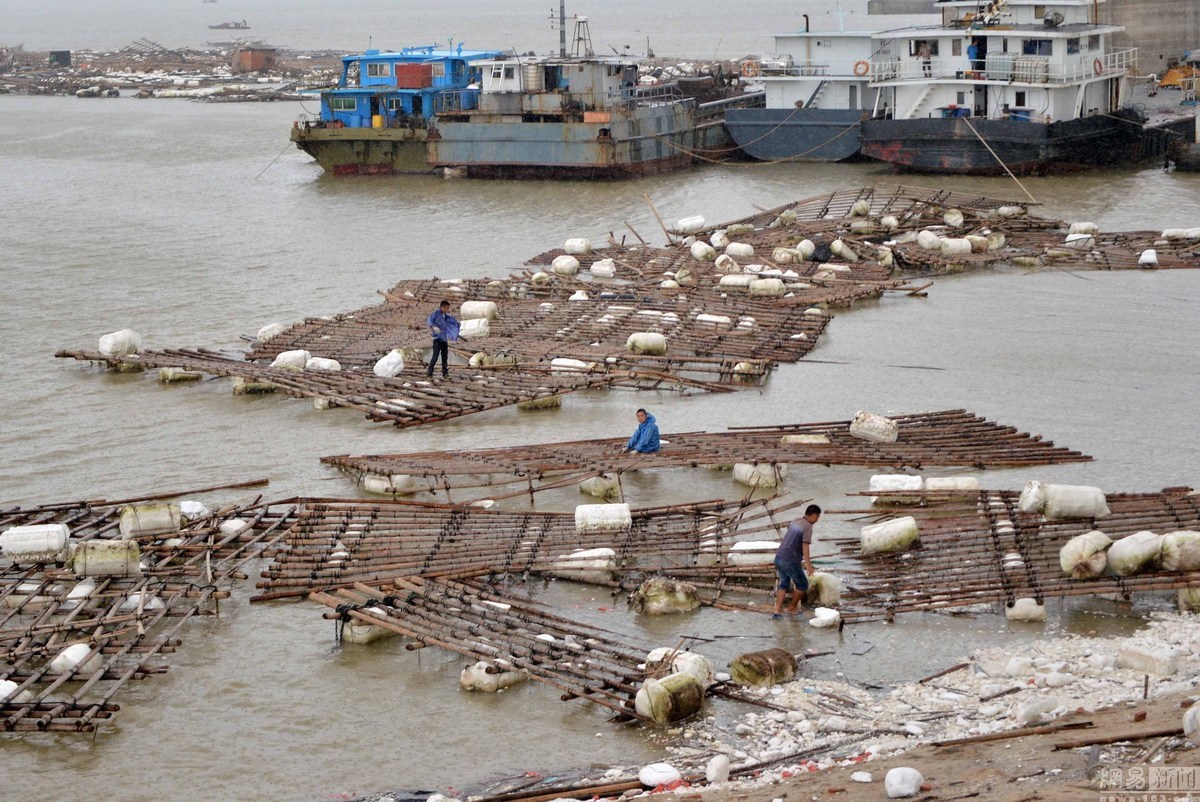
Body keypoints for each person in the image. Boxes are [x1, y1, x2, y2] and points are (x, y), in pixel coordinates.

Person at [773, 504, 821, 619]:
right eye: (818, 517)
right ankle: (792, 608)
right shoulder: (808, 526)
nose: (818, 519)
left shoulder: (796, 520)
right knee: (803, 584)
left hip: (779, 557)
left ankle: (777, 610)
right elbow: (805, 546)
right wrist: (808, 565)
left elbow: (789, 530)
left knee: (784, 583)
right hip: (790, 560)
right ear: (813, 515)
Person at [425, 300, 459, 378]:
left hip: (444, 339)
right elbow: (429, 320)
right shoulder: (436, 313)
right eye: (446, 308)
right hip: (437, 339)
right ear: (442, 307)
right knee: (435, 356)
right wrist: (433, 327)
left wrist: (456, 324)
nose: (447, 309)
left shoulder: (445, 316)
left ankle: (445, 373)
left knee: (444, 357)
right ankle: (429, 373)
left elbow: (451, 321)